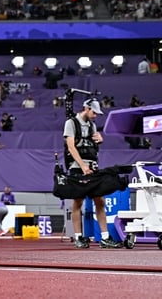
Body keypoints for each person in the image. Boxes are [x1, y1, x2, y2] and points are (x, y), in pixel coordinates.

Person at [63, 98, 122, 249]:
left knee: (100, 201)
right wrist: (82, 166)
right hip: (77, 167)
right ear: (86, 108)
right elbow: (71, 147)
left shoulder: (92, 125)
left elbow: (94, 143)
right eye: (94, 112)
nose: (95, 115)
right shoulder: (71, 123)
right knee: (78, 201)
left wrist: (99, 140)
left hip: (92, 166)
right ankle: (78, 237)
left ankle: (104, 238)